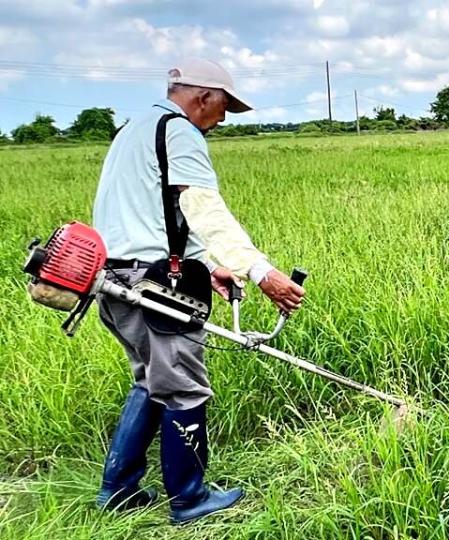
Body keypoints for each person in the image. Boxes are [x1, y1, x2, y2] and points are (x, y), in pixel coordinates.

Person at [90, 57, 305, 524]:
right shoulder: (180, 131)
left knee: (150, 382)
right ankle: (190, 499)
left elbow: (149, 218)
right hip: (153, 287)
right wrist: (261, 272)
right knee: (184, 390)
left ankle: (118, 489)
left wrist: (207, 267)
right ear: (203, 96)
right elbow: (206, 211)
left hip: (113, 280)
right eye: (224, 106)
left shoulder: (133, 129)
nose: (222, 119)